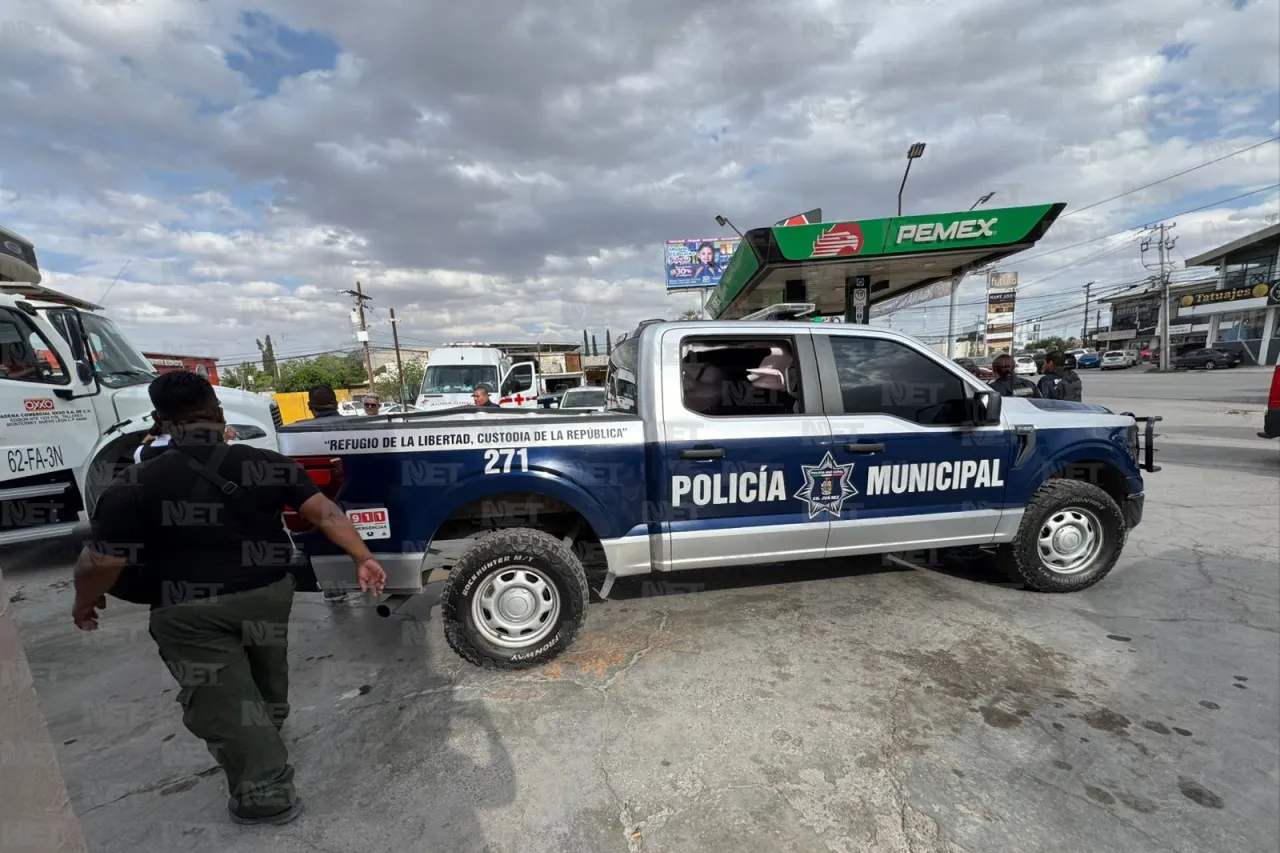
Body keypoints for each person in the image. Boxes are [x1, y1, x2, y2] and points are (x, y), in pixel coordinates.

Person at [71, 372, 386, 826]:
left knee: (224, 700)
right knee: (265, 670)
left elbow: (100, 561)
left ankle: (265, 796)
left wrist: (85, 601)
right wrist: (363, 556)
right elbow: (325, 512)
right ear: (218, 413)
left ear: (160, 421)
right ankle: (268, 732)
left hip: (189, 612)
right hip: (268, 596)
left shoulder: (134, 483)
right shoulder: (267, 464)